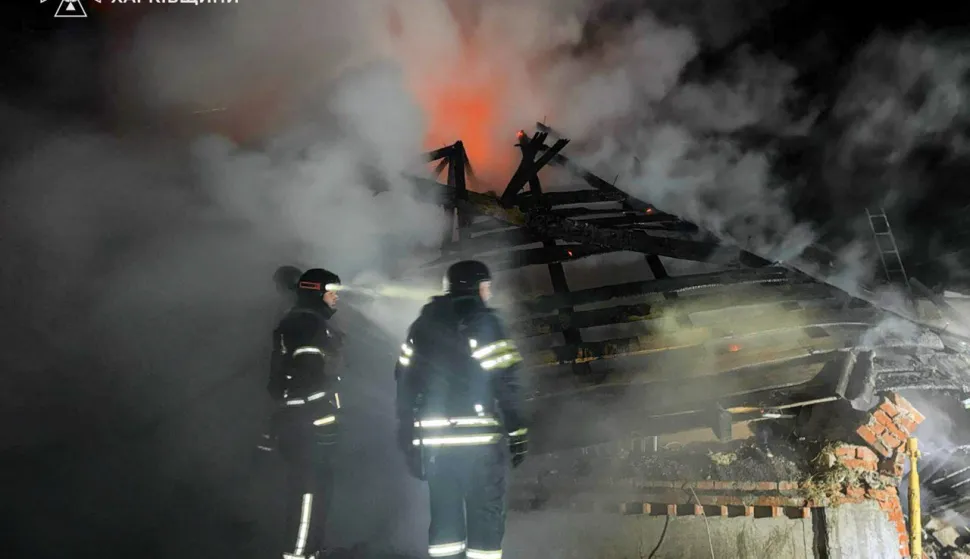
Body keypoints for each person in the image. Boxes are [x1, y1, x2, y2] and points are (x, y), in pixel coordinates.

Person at [394, 260, 529, 559]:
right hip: (480, 447)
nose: (489, 294)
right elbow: (506, 382)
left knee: (444, 525)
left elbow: (404, 382)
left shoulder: (423, 324)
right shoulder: (485, 323)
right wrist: (517, 431)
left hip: (437, 444)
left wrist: (407, 436)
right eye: (486, 287)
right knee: (485, 520)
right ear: (475, 287)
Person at [266, 268, 344, 559]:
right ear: (316, 292)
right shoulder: (306, 324)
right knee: (308, 497)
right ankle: (299, 555)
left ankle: (309, 552)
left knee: (316, 497)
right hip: (307, 430)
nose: (336, 297)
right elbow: (305, 382)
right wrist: (321, 421)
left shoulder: (307, 321)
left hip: (307, 427)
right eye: (331, 291)